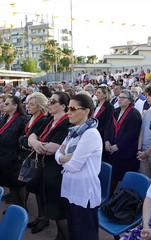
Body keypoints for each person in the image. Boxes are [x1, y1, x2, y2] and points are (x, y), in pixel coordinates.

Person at [55, 94, 102, 240]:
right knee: (74, 231)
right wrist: (63, 158)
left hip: (84, 191)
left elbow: (74, 166)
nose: (68, 112)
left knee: (85, 234)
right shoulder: (74, 131)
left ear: (86, 111)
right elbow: (58, 153)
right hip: (72, 188)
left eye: (73, 108)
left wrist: (62, 159)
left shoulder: (90, 134)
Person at [28, 92, 71, 239]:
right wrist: (35, 142)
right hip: (44, 167)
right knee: (50, 204)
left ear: (63, 106)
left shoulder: (67, 123)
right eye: (49, 101)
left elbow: (53, 148)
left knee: (59, 210)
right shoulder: (49, 120)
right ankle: (59, 235)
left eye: (53, 102)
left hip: (56, 172)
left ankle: (64, 236)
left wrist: (35, 143)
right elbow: (31, 136)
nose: (49, 104)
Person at [18, 92, 49, 233]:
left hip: (37, 160)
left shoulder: (43, 120)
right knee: (35, 189)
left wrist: (24, 141)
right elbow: (24, 139)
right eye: (27, 103)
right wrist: (25, 141)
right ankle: (40, 217)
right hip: (29, 158)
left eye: (31, 104)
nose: (27, 106)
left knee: (39, 191)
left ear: (39, 106)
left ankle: (43, 219)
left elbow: (29, 142)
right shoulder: (32, 118)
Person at [105, 89, 142, 194]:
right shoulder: (115, 111)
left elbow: (132, 134)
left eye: (123, 98)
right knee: (112, 179)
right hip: (112, 152)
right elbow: (108, 128)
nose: (120, 99)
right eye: (119, 97)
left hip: (126, 154)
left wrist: (118, 146)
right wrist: (107, 141)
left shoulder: (134, 114)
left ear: (129, 100)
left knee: (124, 181)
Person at [0, 96, 28, 206]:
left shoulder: (22, 119)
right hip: (5, 156)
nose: (3, 105)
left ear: (15, 106)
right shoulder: (5, 118)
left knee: (18, 187)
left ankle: (22, 211)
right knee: (11, 187)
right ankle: (15, 209)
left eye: (7, 104)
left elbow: (22, 140)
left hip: (15, 159)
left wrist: (18, 157)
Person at [94, 85, 114, 162]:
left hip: (102, 135)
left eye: (99, 93)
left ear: (105, 95)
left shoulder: (109, 107)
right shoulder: (96, 105)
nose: (96, 94)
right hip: (94, 134)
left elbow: (108, 124)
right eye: (96, 92)